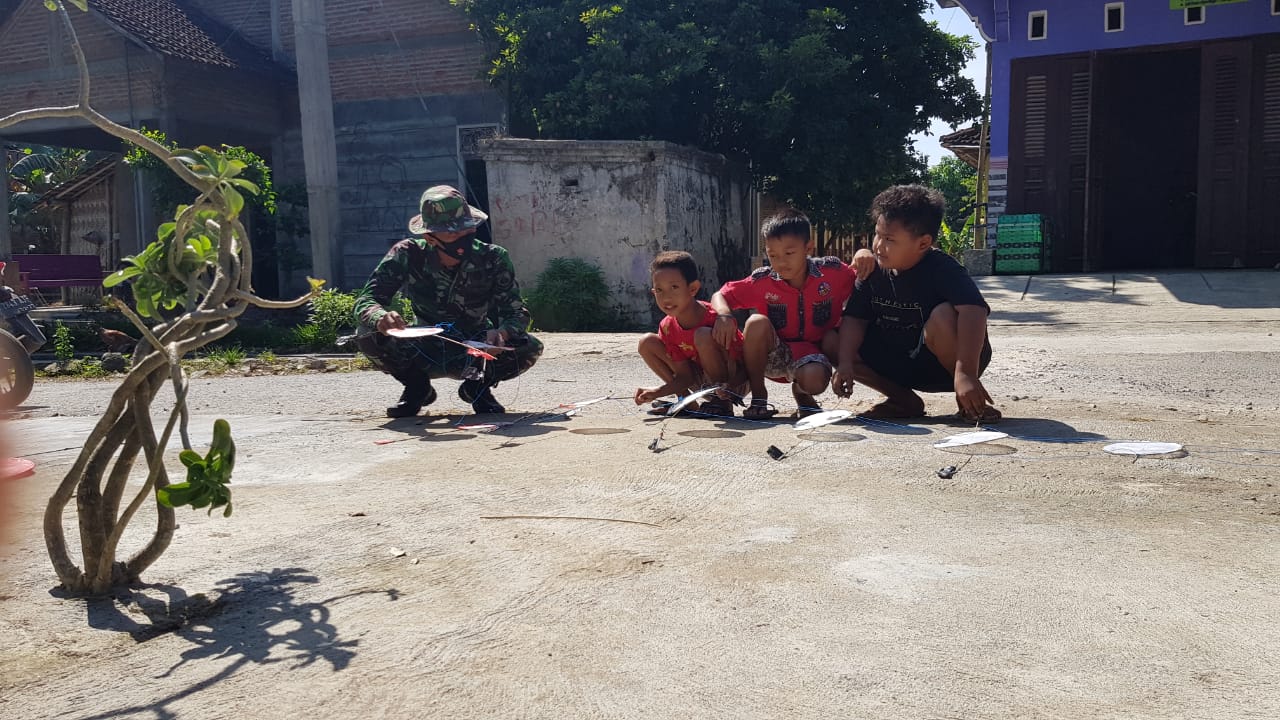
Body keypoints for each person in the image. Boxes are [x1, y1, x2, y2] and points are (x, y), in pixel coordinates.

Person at [354, 185, 542, 418]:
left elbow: (516, 311)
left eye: (466, 230)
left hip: (475, 349)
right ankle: (417, 388)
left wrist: (502, 333)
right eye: (452, 233)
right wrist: (381, 317)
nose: (462, 237)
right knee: (366, 332)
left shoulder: (493, 257)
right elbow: (366, 299)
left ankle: (477, 389)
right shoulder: (408, 254)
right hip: (421, 347)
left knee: (528, 345)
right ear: (429, 236)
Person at [832, 184, 1000, 423]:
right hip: (899, 363)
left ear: (923, 243)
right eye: (877, 234)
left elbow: (975, 311)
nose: (878, 245)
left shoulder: (943, 269)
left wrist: (966, 373)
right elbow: (855, 319)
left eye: (889, 239)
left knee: (943, 315)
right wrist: (845, 362)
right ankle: (902, 400)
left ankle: (968, 402)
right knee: (831, 337)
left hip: (945, 366)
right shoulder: (873, 270)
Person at [710, 211, 874, 419]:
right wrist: (724, 315)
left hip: (811, 354)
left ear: (808, 248)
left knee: (814, 379)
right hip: (772, 354)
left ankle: (803, 394)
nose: (781, 262)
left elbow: (860, 275)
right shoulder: (762, 281)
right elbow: (720, 295)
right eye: (773, 255)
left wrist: (864, 253)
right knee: (756, 322)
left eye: (789, 253)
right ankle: (759, 396)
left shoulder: (832, 274)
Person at [634, 251, 746, 417]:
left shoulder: (717, 319)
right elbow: (684, 377)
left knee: (702, 335)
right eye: (659, 290)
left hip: (733, 384)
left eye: (674, 287)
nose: (666, 298)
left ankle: (721, 403)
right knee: (646, 342)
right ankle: (686, 401)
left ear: (693, 288)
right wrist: (657, 392)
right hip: (700, 383)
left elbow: (746, 367)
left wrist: (729, 387)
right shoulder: (667, 327)